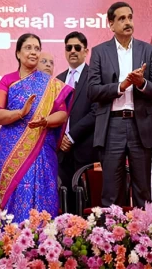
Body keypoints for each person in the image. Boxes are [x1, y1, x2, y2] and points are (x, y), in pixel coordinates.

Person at [0, 33, 73, 223]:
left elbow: (61, 114)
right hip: (11, 148)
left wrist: (45, 121)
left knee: (43, 190)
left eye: (37, 48)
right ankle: (12, 239)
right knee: (16, 191)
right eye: (28, 48)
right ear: (18, 53)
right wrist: (20, 113)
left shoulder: (50, 84)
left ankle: (45, 240)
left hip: (42, 146)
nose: (34, 52)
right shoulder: (7, 80)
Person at [88, 2, 152, 208]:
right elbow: (92, 91)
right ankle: (112, 238)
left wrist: (141, 83)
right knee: (111, 192)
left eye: (130, 17)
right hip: (112, 126)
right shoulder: (99, 52)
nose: (127, 22)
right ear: (110, 24)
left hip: (141, 127)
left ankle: (143, 239)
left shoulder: (147, 50)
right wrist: (121, 86)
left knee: (142, 191)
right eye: (121, 18)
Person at [56, 31, 98, 214]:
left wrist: (71, 136)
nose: (73, 51)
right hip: (62, 153)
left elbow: (96, 112)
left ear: (85, 51)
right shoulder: (57, 80)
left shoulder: (95, 77)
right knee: (66, 205)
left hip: (85, 150)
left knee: (88, 204)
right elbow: (53, 114)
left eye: (77, 47)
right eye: (68, 47)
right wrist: (60, 139)